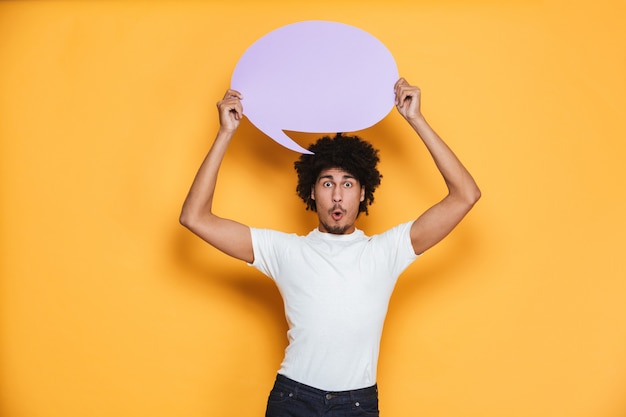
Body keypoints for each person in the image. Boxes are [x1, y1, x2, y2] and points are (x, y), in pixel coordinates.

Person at [180, 78, 481, 417]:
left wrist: (416, 119)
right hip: (293, 400)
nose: (337, 195)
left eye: (347, 184)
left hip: (357, 405)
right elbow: (195, 217)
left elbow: (465, 195)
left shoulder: (387, 251)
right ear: (312, 192)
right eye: (327, 183)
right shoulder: (283, 251)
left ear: (363, 193)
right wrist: (225, 134)